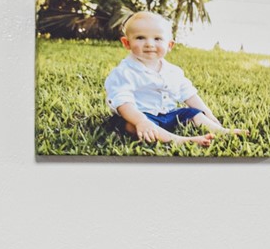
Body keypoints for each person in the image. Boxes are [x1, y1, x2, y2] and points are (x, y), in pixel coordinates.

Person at [102, 10, 243, 147]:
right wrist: (141, 121)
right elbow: (123, 102)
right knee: (130, 126)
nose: (149, 44)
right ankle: (178, 140)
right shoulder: (124, 72)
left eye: (157, 39)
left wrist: (208, 114)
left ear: (169, 45)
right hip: (139, 116)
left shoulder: (173, 71)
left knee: (193, 113)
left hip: (168, 114)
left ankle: (221, 131)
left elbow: (188, 94)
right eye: (140, 38)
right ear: (126, 43)